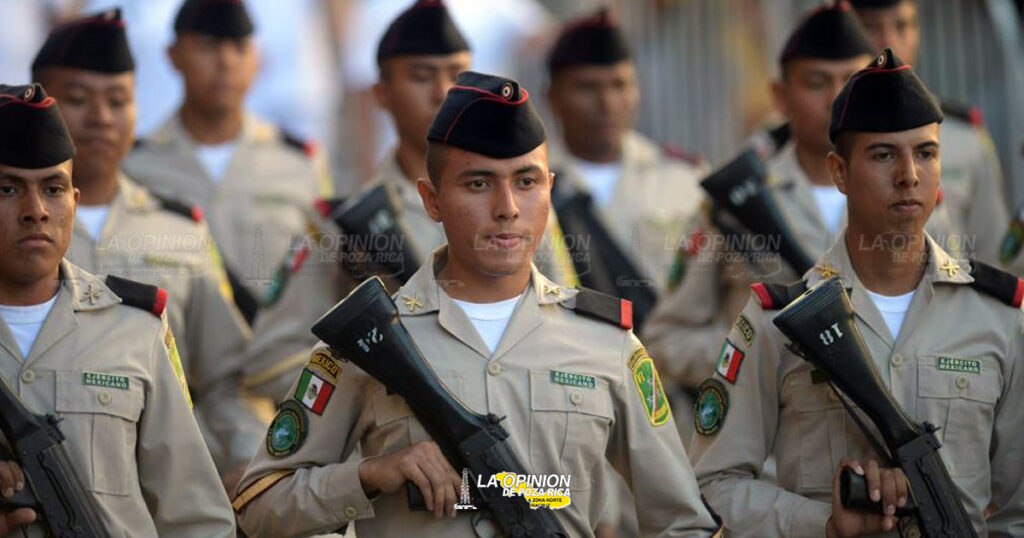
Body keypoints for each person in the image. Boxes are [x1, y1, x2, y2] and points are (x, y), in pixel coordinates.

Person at [232, 71, 720, 538]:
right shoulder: (371, 341)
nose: (507, 206)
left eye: (526, 182)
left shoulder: (606, 343)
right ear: (432, 199)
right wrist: (371, 474)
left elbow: (682, 521)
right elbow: (258, 505)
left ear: (549, 190)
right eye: (479, 184)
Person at [689, 48, 1024, 537]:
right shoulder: (776, 320)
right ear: (839, 172)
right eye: (883, 154)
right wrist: (823, 524)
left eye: (925, 153)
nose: (909, 175)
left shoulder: (999, 317)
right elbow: (712, 484)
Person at [240, 0, 575, 402]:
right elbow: (272, 361)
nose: (442, 92)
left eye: (456, 74)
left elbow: (563, 323)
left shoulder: (518, 205)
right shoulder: (342, 225)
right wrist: (382, 387)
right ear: (381, 93)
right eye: (421, 76)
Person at [31, 8, 263, 488]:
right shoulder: (17, 229)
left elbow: (227, 379)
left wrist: (253, 464)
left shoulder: (179, 230)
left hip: (168, 491)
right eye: (76, 99)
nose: (100, 118)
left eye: (118, 101)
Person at [0, 82, 235, 536]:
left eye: (52, 189)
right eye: (8, 189)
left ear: (74, 202)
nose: (35, 211)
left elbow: (196, 516)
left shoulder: (135, 327)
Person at [643, 2, 885, 401]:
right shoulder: (733, 204)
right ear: (780, 95)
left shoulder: (909, 192)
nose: (836, 99)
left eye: (851, 82)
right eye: (816, 83)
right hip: (772, 454)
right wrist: (758, 353)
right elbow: (667, 338)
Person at [122, 0, 331, 324]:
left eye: (239, 46)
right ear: (173, 55)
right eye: (208, 46)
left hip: (279, 365)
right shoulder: (135, 167)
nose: (226, 61)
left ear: (257, 58)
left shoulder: (300, 163)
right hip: (181, 366)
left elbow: (323, 274)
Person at [546, 9, 706, 298]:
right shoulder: (527, 182)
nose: (607, 102)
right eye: (587, 87)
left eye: (620, 85)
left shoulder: (685, 179)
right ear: (553, 97)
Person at [850, 0, 1009, 267]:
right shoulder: (818, 138)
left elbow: (994, 258)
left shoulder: (963, 136)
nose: (888, 42)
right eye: (870, 27)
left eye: (902, 26)